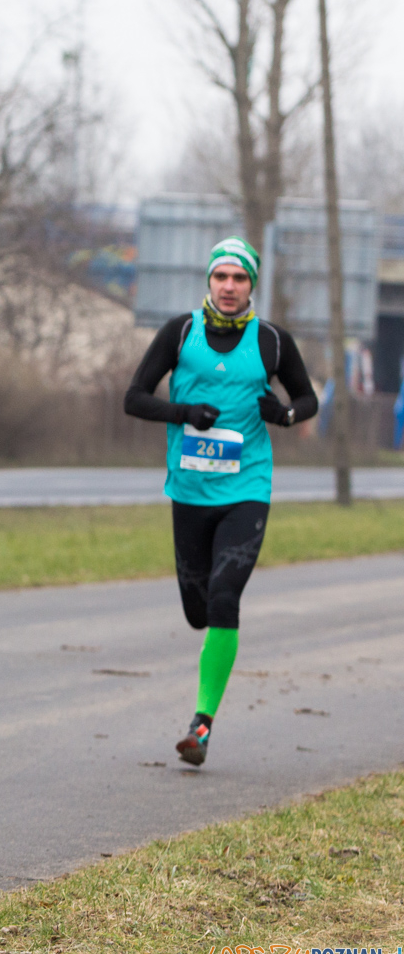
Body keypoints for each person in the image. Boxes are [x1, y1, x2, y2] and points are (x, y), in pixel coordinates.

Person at [124, 236, 316, 767]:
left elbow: (307, 399)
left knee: (225, 596)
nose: (229, 287)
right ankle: (208, 655)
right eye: (221, 277)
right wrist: (183, 413)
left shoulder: (272, 341)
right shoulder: (180, 333)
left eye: (239, 278)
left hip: (247, 489)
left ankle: (201, 725)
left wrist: (284, 417)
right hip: (189, 490)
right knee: (198, 609)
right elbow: (134, 399)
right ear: (208, 281)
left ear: (252, 284)